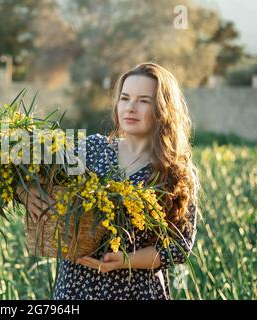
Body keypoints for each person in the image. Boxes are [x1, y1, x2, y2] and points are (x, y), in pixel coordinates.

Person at [16, 62, 200, 300]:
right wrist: (27, 190)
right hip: (76, 289)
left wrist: (126, 260)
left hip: (138, 291)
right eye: (125, 98)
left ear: (163, 109)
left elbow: (179, 248)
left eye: (144, 101)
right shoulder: (90, 149)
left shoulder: (175, 171)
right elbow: (22, 166)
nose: (130, 108)